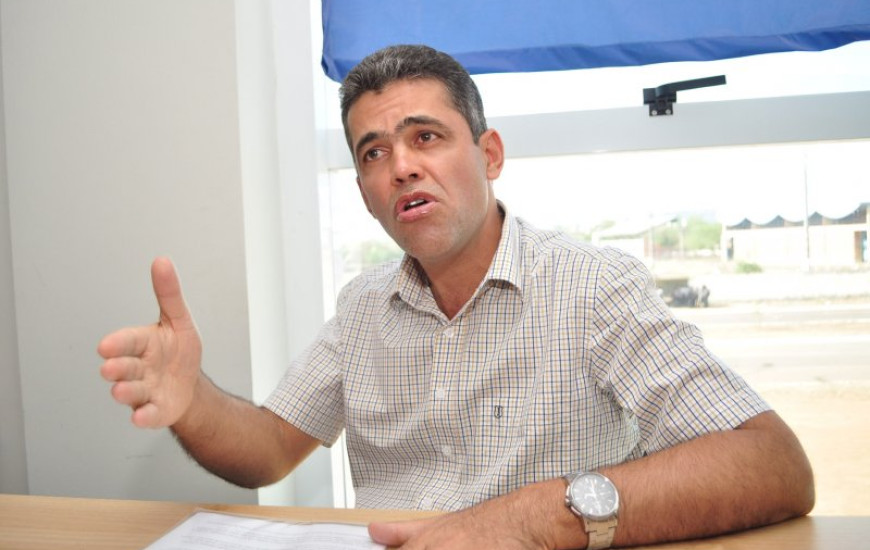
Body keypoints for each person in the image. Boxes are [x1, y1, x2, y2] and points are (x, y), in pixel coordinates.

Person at [98, 44, 814, 549]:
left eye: (426, 137)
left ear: (489, 154)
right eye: (374, 152)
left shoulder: (594, 286)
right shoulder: (361, 307)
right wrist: (193, 400)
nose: (402, 167)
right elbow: (266, 452)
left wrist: (529, 520)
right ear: (365, 193)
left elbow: (772, 464)